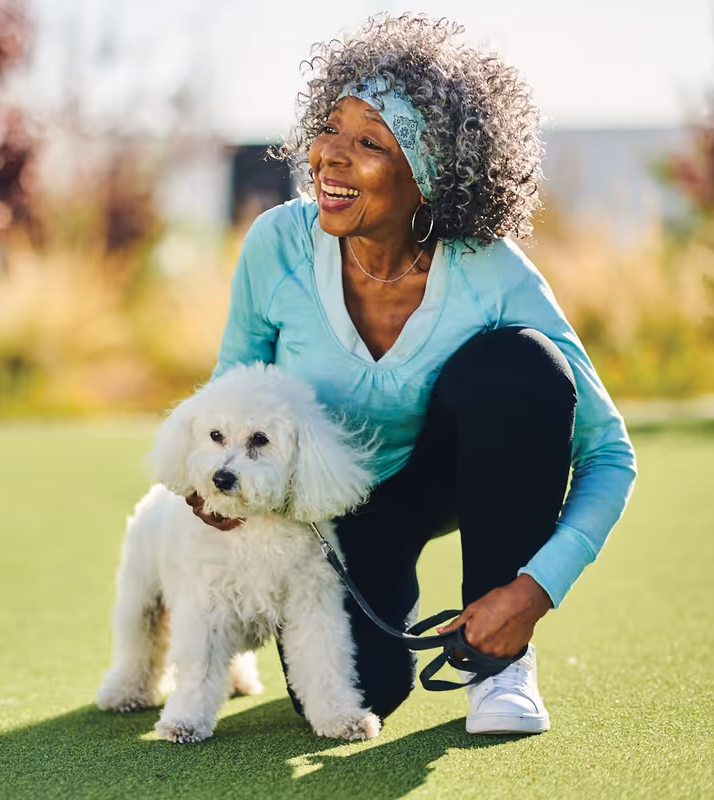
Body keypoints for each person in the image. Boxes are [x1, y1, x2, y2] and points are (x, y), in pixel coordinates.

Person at [190, 14, 637, 735]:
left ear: (433, 173)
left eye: (369, 142)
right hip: (337, 512)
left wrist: (533, 590)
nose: (330, 157)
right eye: (330, 128)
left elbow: (611, 455)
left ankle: (501, 665)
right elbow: (230, 393)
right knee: (357, 694)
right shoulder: (276, 244)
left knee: (520, 366)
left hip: (456, 477)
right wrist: (209, 485)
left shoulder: (490, 270)